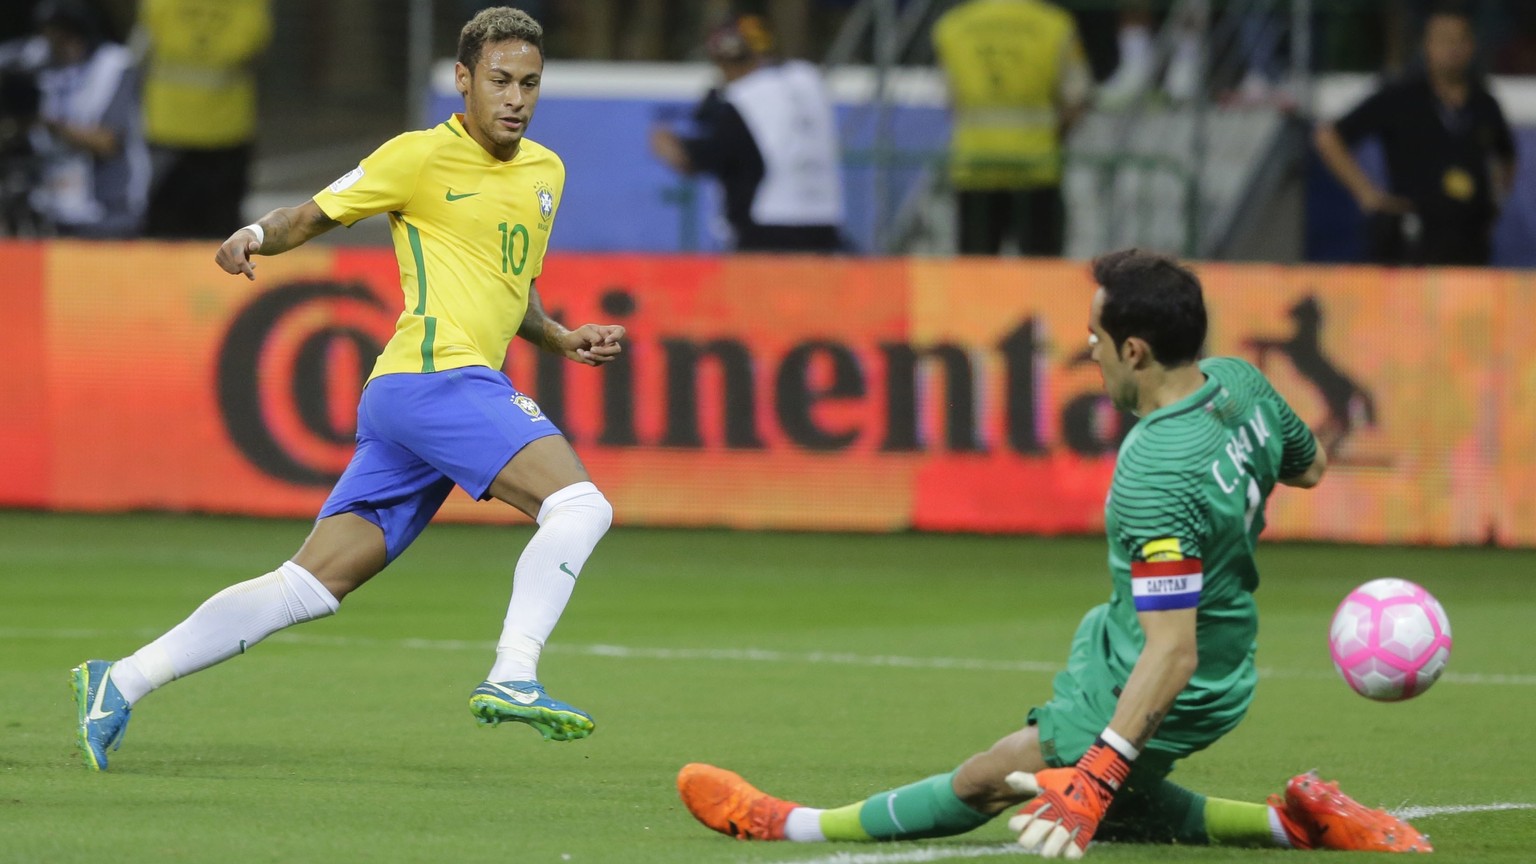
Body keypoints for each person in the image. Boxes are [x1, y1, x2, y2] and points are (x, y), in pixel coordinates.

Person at [676, 249, 1433, 857]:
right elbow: (1308, 466)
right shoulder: (1238, 382)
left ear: (1134, 350)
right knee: (1101, 796)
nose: (1088, 347)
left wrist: (1098, 773)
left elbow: (1171, 652)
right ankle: (1298, 823)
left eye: (1097, 335)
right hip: (1219, 652)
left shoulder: (1155, 469)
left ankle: (790, 825)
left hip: (1164, 670)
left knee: (994, 777)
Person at [70, 6, 625, 771]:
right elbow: (310, 215)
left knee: (311, 583)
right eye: (499, 81)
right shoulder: (417, 157)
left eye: (529, 83)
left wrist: (558, 337)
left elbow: (510, 287)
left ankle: (119, 681)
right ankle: (514, 674)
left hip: (425, 397)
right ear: (463, 81)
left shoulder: (544, 173)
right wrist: (255, 236)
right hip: (433, 376)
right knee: (580, 504)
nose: (515, 98)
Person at [1313, 1, 1516, 266]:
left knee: (1469, 308)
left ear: (1472, 46)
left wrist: (1495, 205)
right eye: (1444, 40)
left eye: (1460, 39)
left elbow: (1506, 156)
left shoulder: (1484, 104)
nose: (1453, 48)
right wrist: (1367, 194)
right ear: (1427, 47)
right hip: (1412, 242)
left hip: (1471, 242)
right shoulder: (1401, 96)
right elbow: (1328, 137)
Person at [648, 14, 845, 253]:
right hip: (825, 223)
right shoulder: (808, 79)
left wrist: (669, 145)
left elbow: (711, 155)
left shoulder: (745, 96)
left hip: (768, 228)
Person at [931, 0, 1093, 257]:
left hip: (975, 166)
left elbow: (950, 98)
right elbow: (1076, 97)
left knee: (975, 277)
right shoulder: (1055, 25)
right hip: (1037, 167)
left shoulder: (951, 26)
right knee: (1043, 275)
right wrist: (1055, 136)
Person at [138, 0, 272, 239]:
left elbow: (152, 26)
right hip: (224, 127)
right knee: (218, 228)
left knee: (166, 226)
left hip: (172, 124)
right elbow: (252, 39)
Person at [28, 0, 149, 238]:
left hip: (108, 212)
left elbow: (107, 141)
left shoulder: (114, 65)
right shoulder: (37, 58)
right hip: (51, 208)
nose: (56, 46)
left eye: (62, 38)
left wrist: (51, 125)